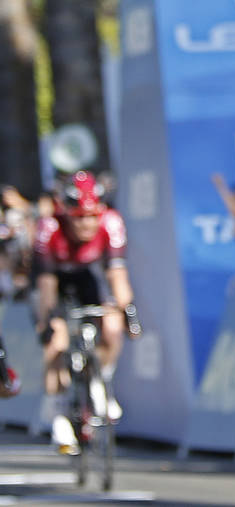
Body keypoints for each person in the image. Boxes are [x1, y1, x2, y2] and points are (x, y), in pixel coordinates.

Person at [34, 171, 140, 454]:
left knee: (112, 324)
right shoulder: (49, 227)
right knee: (55, 338)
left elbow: (117, 274)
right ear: (66, 213)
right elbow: (45, 284)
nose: (87, 224)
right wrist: (46, 320)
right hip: (54, 277)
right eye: (79, 217)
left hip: (86, 275)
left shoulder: (112, 222)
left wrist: (128, 311)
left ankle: (100, 382)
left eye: (92, 216)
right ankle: (57, 412)